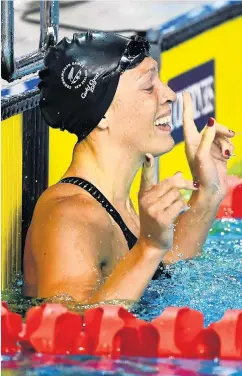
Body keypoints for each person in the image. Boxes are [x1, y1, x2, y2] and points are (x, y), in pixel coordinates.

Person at [23, 31, 235, 304]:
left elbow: (163, 268)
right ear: (103, 115)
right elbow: (72, 331)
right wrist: (149, 247)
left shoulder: (116, 202)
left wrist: (208, 192)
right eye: (149, 87)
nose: (169, 94)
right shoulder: (69, 218)